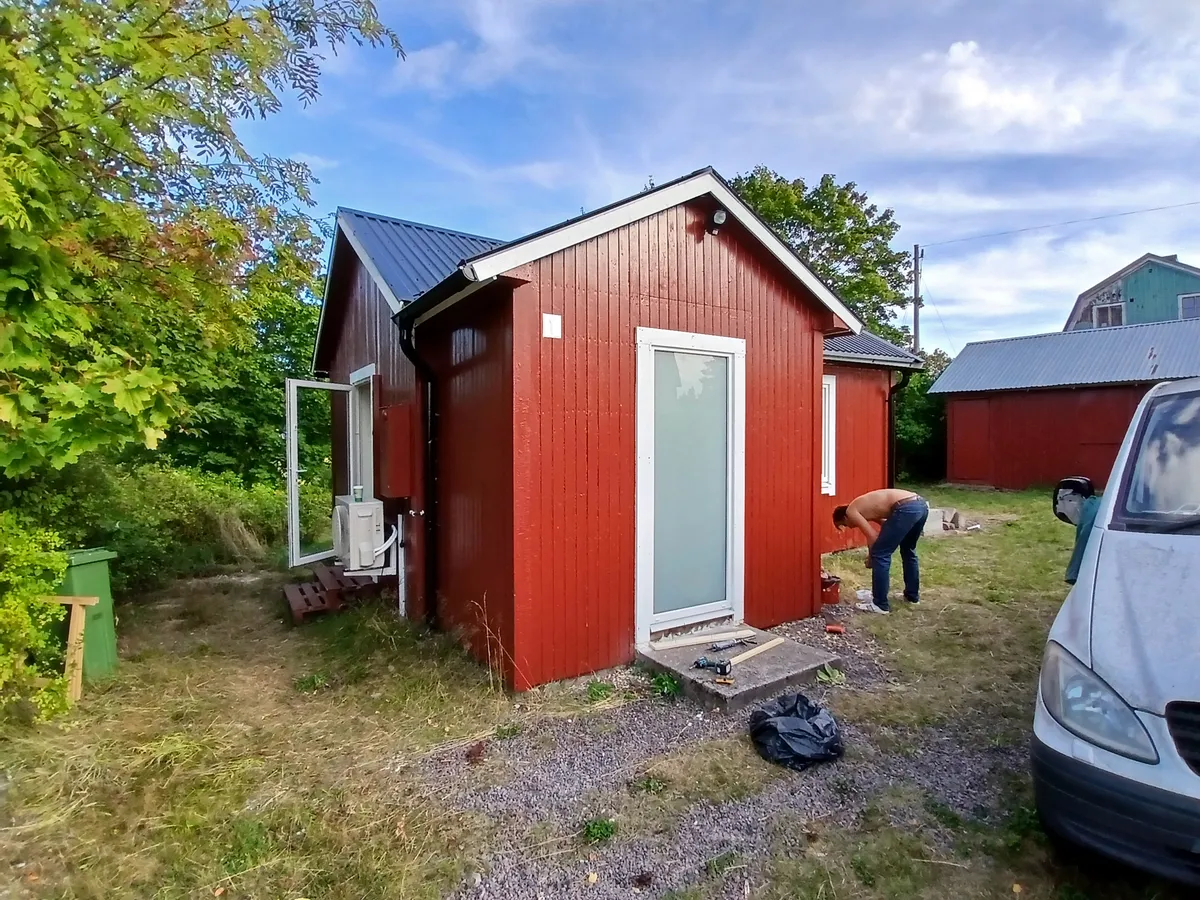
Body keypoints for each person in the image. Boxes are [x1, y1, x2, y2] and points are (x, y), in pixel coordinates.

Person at [833, 489, 930, 614]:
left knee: (881, 554)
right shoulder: (865, 508)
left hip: (906, 507)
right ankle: (912, 597)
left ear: (845, 517)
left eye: (844, 524)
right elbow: (885, 525)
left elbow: (872, 536)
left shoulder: (851, 511)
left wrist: (871, 558)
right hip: (920, 505)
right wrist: (872, 553)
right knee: (908, 550)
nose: (850, 527)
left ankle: (880, 604)